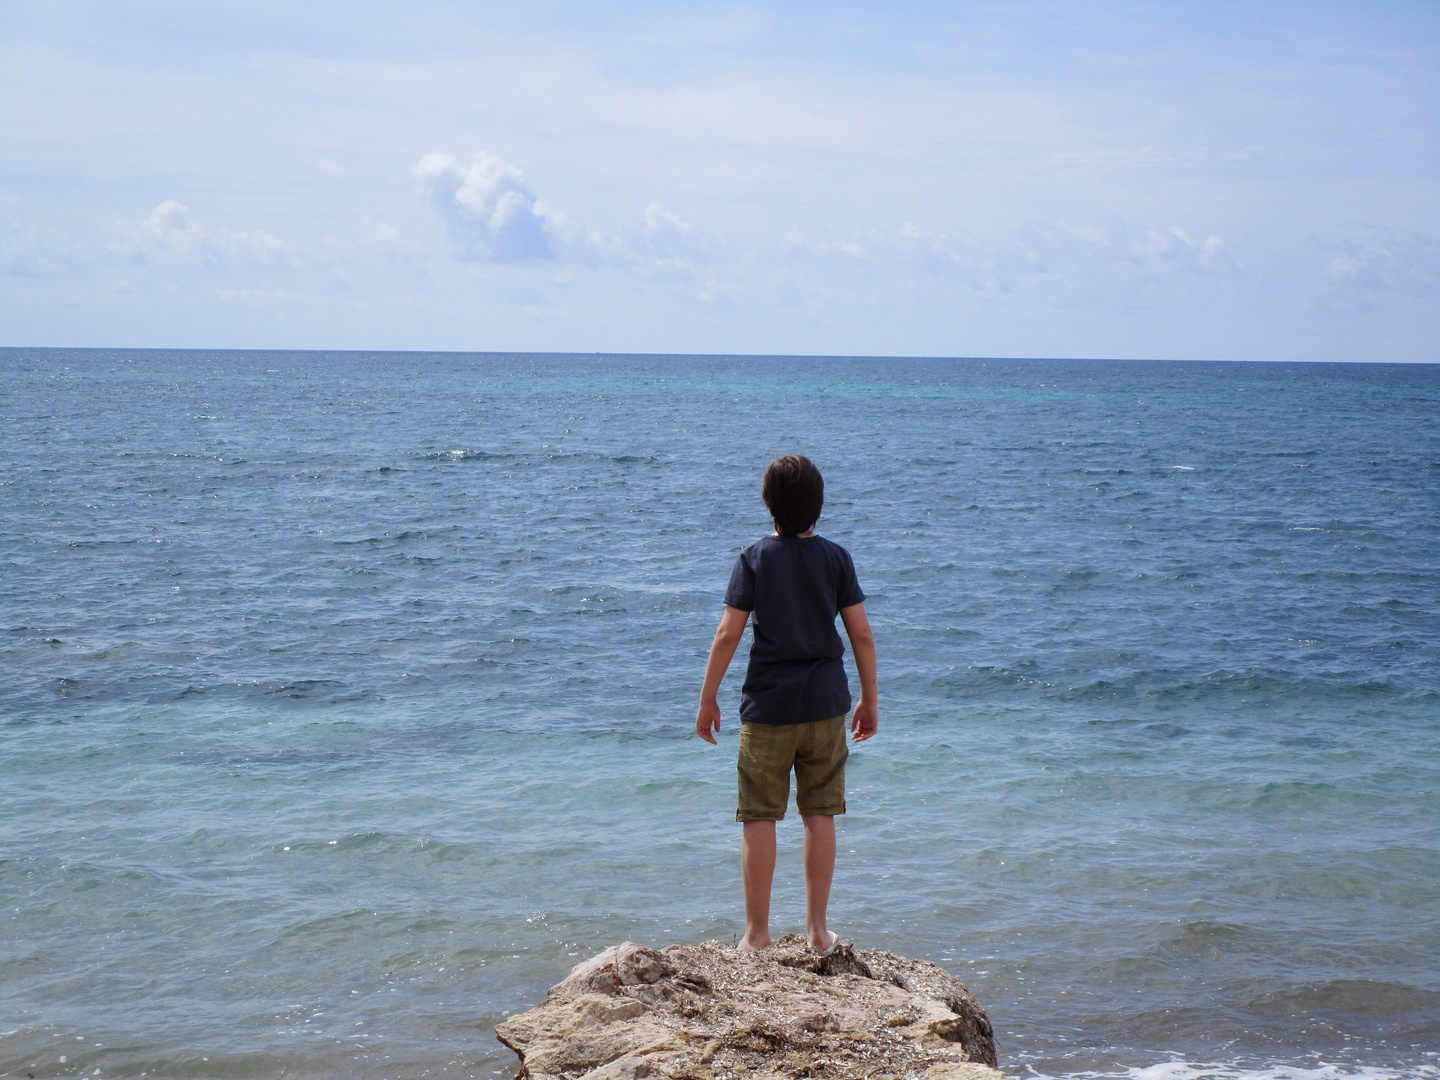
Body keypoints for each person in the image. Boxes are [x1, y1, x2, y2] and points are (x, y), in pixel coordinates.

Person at [695, 454, 878, 954]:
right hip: (826, 705)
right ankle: (818, 931)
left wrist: (708, 698)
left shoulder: (754, 557)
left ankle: (756, 936)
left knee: (760, 815)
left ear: (768, 504)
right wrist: (869, 699)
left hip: (769, 708)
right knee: (820, 812)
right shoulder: (837, 558)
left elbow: (728, 633)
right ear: (818, 506)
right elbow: (860, 634)